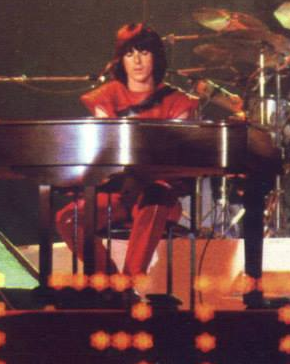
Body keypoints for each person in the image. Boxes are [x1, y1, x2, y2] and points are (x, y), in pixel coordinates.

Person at [54, 23, 197, 277]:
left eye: (144, 52)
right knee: (68, 219)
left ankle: (131, 282)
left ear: (156, 56)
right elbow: (104, 150)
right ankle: (109, 281)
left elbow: (177, 159)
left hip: (159, 195)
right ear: (121, 59)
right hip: (117, 194)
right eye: (129, 54)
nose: (137, 61)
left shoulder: (178, 101)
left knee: (155, 200)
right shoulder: (106, 96)